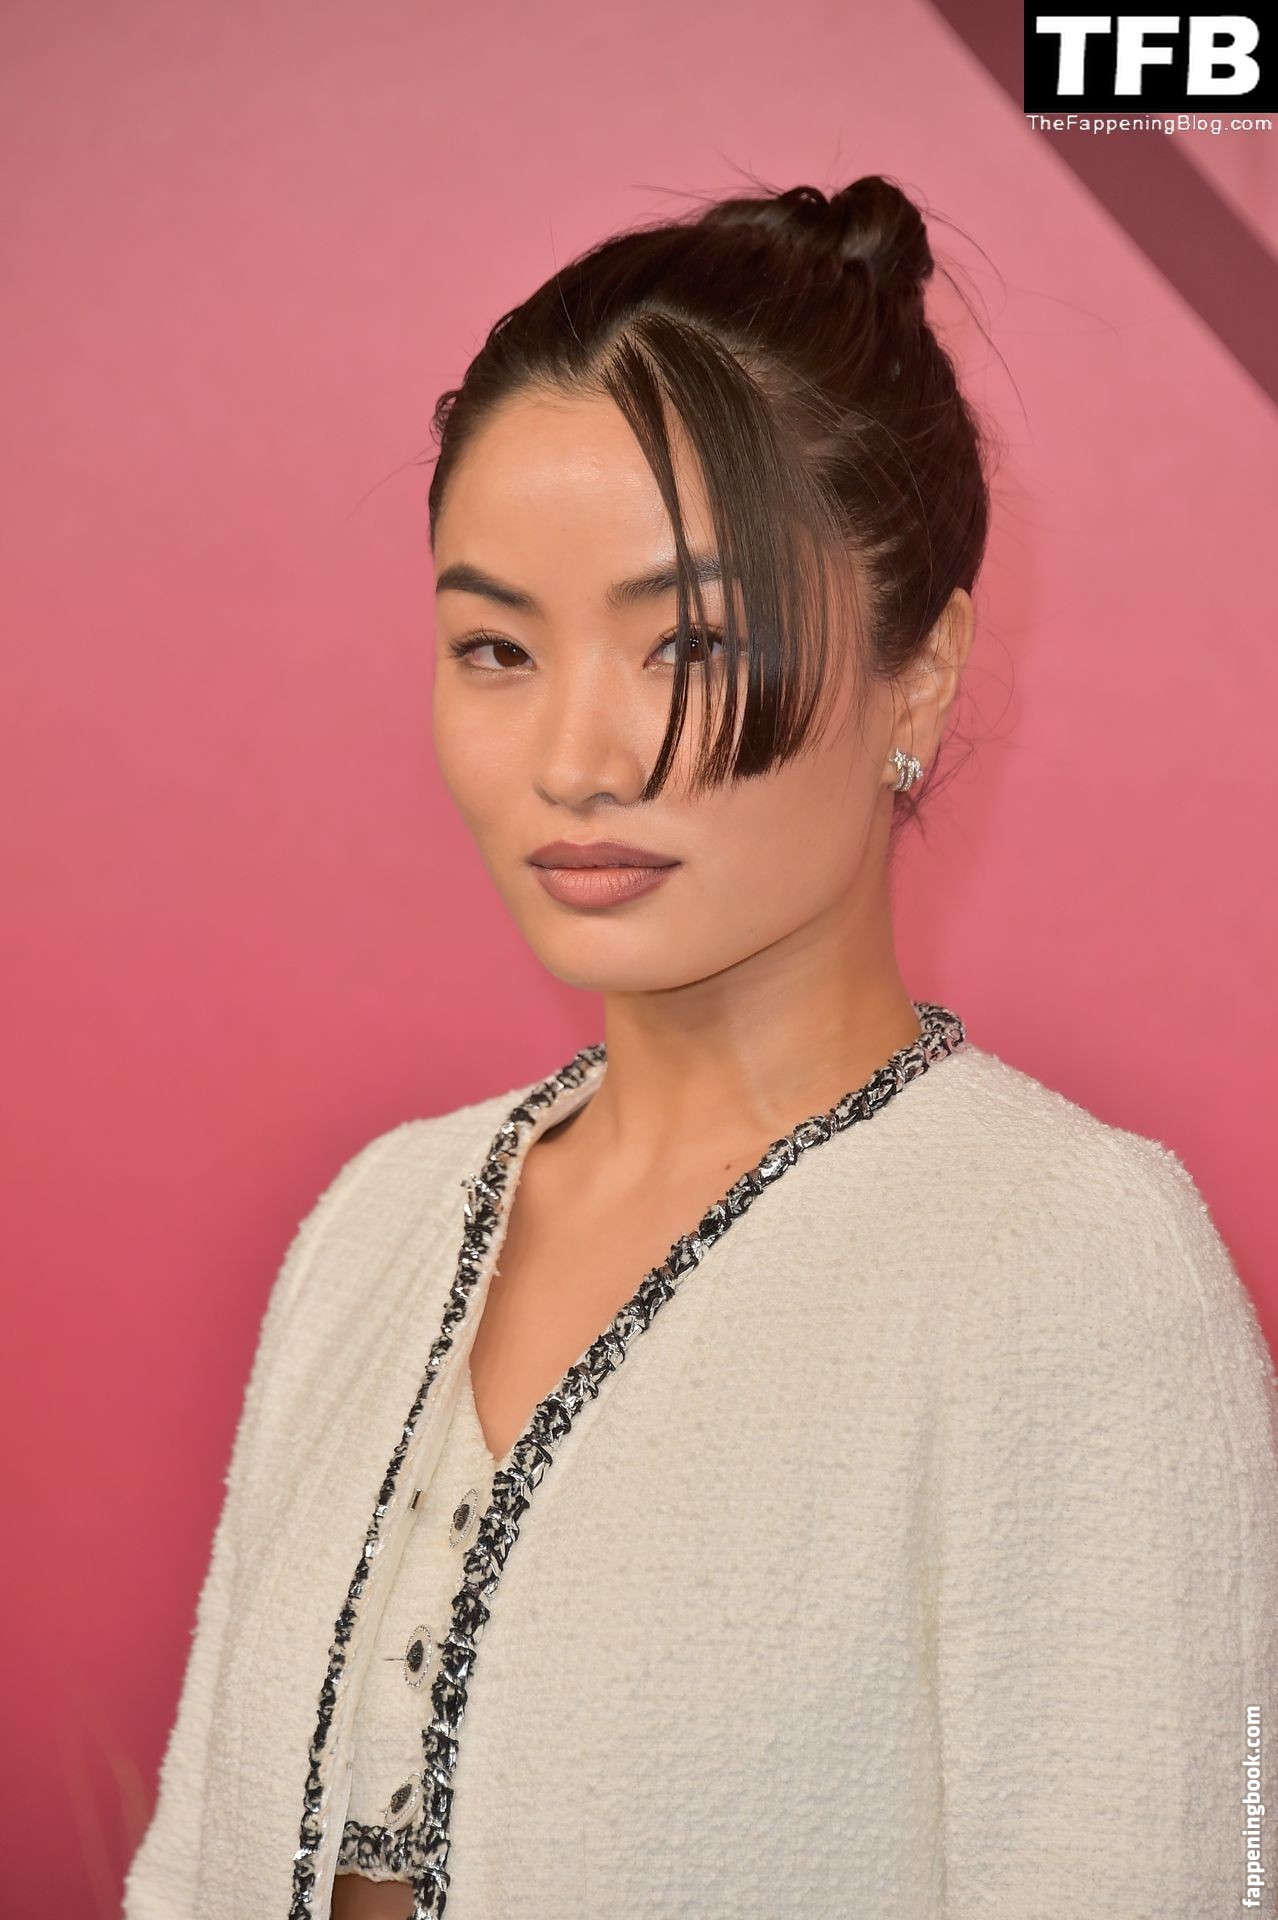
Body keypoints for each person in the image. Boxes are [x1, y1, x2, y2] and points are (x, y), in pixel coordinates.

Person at [123, 175, 1278, 1920]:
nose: (574, 756)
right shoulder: (375, 1222)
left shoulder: (1067, 1262)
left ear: (919, 671)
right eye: (495, 647)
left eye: (689, 641)